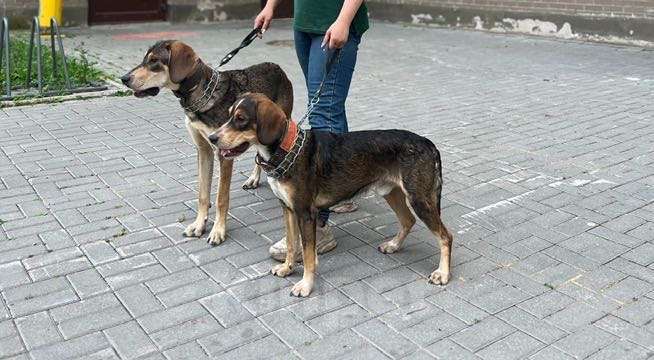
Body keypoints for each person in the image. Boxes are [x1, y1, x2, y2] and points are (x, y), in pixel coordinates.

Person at [254, 0, 368, 261]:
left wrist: (344, 20)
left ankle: (320, 226)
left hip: (334, 20)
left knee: (324, 112)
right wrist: (271, 6)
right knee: (330, 106)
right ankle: (345, 189)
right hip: (305, 21)